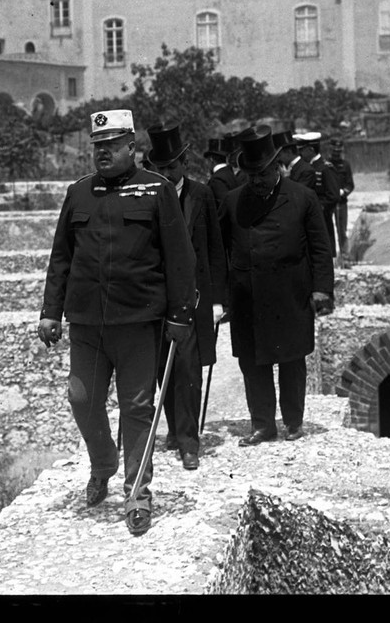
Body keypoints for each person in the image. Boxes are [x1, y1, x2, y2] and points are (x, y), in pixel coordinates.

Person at [39, 109, 197, 536]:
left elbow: (180, 259)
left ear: (133, 147)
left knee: (137, 408)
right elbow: (61, 258)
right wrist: (50, 311)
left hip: (138, 322)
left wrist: (181, 316)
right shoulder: (79, 194)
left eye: (111, 146)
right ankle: (103, 462)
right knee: (80, 398)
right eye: (97, 147)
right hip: (87, 323)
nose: (103, 153)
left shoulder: (157, 191)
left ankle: (137, 493)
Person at [218, 125, 335, 446]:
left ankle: (294, 422)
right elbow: (217, 250)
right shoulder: (231, 202)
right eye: (251, 175)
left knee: (292, 361)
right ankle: (263, 425)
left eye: (263, 174)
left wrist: (321, 288)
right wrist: (220, 295)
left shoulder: (303, 198)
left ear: (277, 168)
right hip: (248, 297)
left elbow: (320, 247)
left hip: (290, 294)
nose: (256, 181)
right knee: (253, 364)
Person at [143, 122, 228, 471]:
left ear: (184, 164)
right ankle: (176, 430)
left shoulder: (202, 196)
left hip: (192, 299)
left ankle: (189, 442)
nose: (166, 174)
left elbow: (215, 249)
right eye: (160, 168)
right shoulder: (147, 196)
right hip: (156, 299)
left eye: (171, 168)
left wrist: (219, 300)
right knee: (165, 369)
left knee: (189, 368)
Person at [292, 130, 341, 256]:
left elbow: (333, 196)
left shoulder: (325, 168)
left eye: (302, 150)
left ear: (310, 150)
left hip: (322, 218)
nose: (300, 153)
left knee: (323, 252)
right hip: (310, 219)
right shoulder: (308, 168)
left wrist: (318, 208)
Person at [327, 138, 355, 254]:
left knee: (342, 231)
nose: (336, 153)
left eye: (338, 151)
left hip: (341, 203)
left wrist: (344, 191)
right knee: (328, 231)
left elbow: (350, 184)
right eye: (334, 151)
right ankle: (331, 258)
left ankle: (345, 257)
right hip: (328, 203)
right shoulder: (326, 165)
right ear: (330, 150)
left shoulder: (345, 165)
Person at [205, 133, 243, 204]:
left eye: (207, 161)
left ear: (211, 160)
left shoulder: (217, 180)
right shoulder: (230, 175)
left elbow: (224, 206)